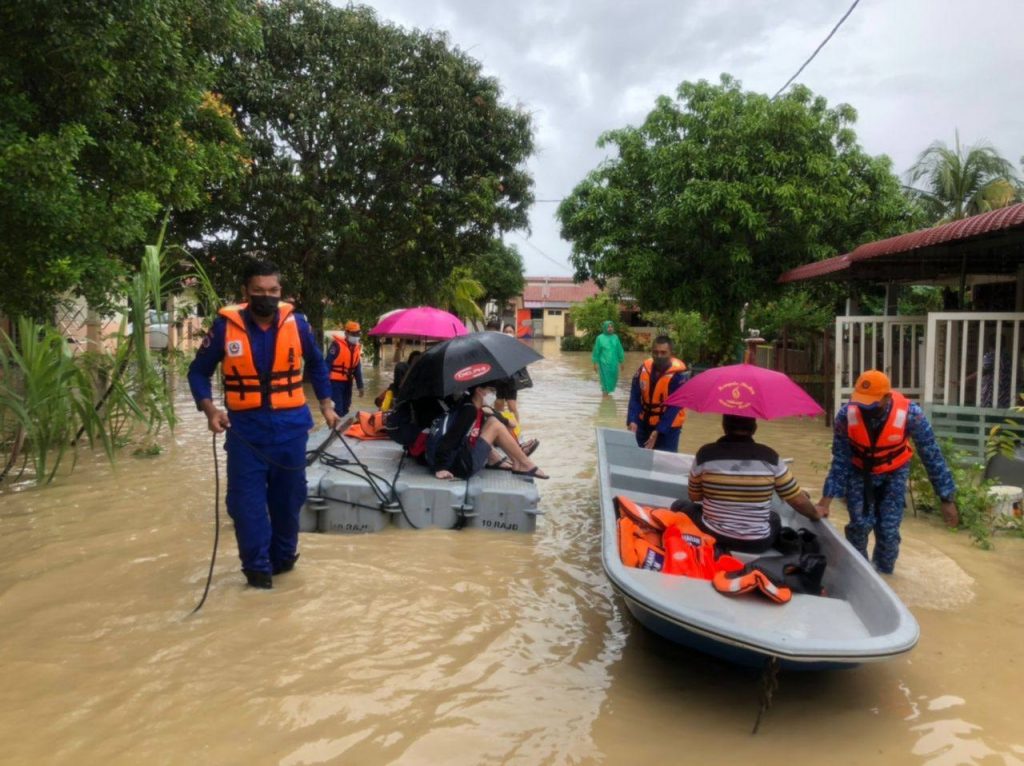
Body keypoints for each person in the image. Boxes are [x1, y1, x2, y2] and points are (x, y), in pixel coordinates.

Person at [187, 259, 339, 589]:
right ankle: (256, 573)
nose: (266, 297)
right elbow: (197, 372)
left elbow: (316, 365)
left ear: (280, 292)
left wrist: (327, 404)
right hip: (245, 432)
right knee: (246, 507)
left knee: (288, 501)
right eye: (258, 291)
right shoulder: (225, 327)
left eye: (273, 291)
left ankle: (284, 562)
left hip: (290, 430)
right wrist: (211, 410)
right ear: (246, 292)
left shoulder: (297, 325)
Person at [816, 370, 959, 574]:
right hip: (860, 472)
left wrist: (946, 498)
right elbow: (840, 460)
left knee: (889, 531)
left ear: (887, 397)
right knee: (859, 527)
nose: (865, 408)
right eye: (861, 402)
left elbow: (932, 455)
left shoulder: (912, 415)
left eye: (872, 403)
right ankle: (859, 574)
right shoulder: (846, 416)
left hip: (894, 472)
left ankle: (885, 575)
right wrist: (825, 500)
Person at [678, 415, 824, 553]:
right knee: (774, 517)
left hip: (713, 536)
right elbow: (797, 500)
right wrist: (815, 514)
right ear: (754, 428)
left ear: (724, 426)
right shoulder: (770, 456)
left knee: (680, 506)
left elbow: (694, 496)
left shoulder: (705, 454)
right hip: (757, 544)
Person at [426, 383, 549, 481]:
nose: (493, 394)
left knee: (492, 421)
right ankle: (524, 463)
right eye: (490, 390)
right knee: (495, 426)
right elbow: (450, 440)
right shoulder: (469, 412)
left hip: (456, 460)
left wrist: (505, 420)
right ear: (479, 391)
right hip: (458, 467)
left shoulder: (469, 404)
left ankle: (499, 459)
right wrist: (440, 468)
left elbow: (490, 413)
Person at [626, 335, 689, 452]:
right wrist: (632, 420)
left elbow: (674, 407)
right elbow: (635, 396)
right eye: (655, 352)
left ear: (671, 353)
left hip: (669, 427)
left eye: (663, 352)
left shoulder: (679, 376)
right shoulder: (643, 369)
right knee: (637, 459)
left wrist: (659, 430)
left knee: (665, 463)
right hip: (644, 423)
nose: (659, 356)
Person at [326, 320, 364, 416]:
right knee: (337, 408)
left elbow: (357, 369)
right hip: (335, 382)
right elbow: (327, 364)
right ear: (346, 333)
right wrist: (324, 383)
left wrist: (360, 386)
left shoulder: (356, 349)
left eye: (357, 333)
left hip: (348, 382)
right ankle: (335, 427)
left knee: (346, 406)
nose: (356, 336)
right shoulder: (336, 346)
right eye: (353, 333)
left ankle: (341, 428)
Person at [592, 320, 625, 395]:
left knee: (613, 379)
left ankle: (607, 398)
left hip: (614, 363)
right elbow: (596, 351)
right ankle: (605, 397)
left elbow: (619, 350)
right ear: (605, 327)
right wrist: (595, 363)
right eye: (608, 327)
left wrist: (621, 362)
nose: (610, 328)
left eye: (611, 327)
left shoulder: (615, 337)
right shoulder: (600, 338)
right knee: (605, 380)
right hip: (603, 363)